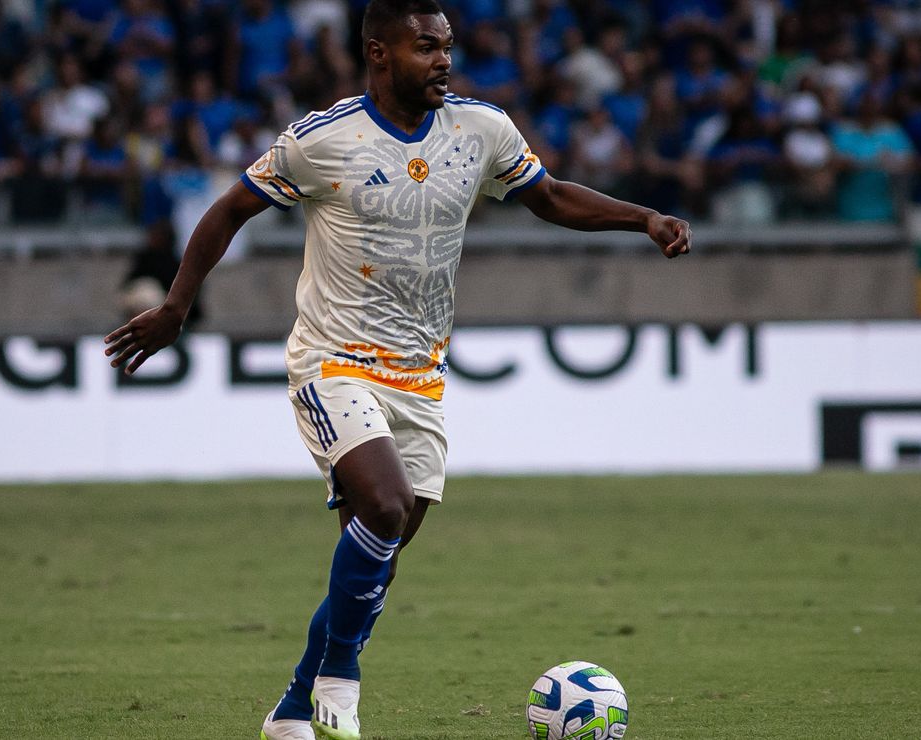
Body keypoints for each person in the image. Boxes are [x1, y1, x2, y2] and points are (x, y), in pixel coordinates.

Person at [103, 1, 691, 737]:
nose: (444, 60)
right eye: (426, 47)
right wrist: (175, 307)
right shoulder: (322, 140)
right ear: (380, 53)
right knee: (383, 507)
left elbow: (548, 196)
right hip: (333, 362)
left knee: (374, 559)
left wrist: (643, 218)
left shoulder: (481, 129)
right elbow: (227, 211)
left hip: (420, 375)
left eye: (446, 46)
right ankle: (341, 678)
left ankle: (292, 711)